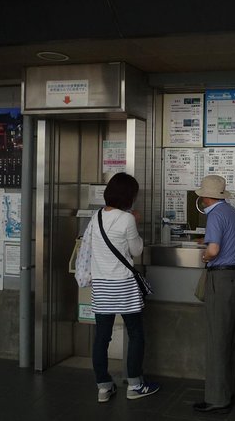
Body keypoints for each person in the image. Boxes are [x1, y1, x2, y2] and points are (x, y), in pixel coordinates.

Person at [87, 172, 160, 403]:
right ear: (129, 196)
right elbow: (136, 251)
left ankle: (103, 386)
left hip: (101, 285)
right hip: (123, 284)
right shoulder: (127, 219)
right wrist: (135, 222)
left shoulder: (96, 216)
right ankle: (135, 385)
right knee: (136, 333)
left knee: (101, 337)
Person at [192, 175, 235, 414]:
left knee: (217, 339)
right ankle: (227, 390)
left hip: (221, 280)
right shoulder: (231, 212)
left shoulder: (213, 214)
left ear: (205, 197)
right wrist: (208, 241)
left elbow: (213, 250)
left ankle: (216, 398)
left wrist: (205, 255)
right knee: (231, 338)